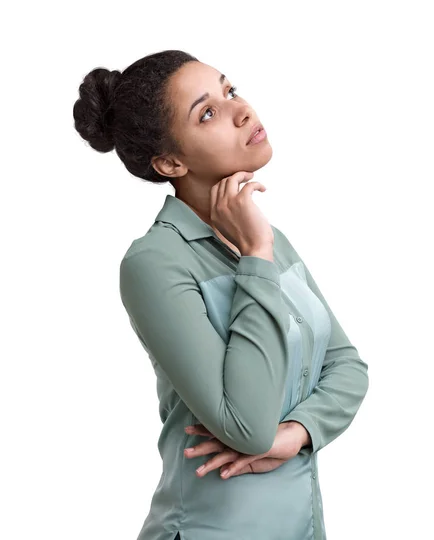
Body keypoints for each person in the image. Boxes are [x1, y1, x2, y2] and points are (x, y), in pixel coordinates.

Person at [73, 49, 369, 540]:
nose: (243, 110)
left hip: (303, 526)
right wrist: (255, 255)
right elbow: (246, 425)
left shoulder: (270, 240)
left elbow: (348, 368)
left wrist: (295, 435)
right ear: (169, 162)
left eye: (230, 90)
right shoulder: (155, 262)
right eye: (207, 112)